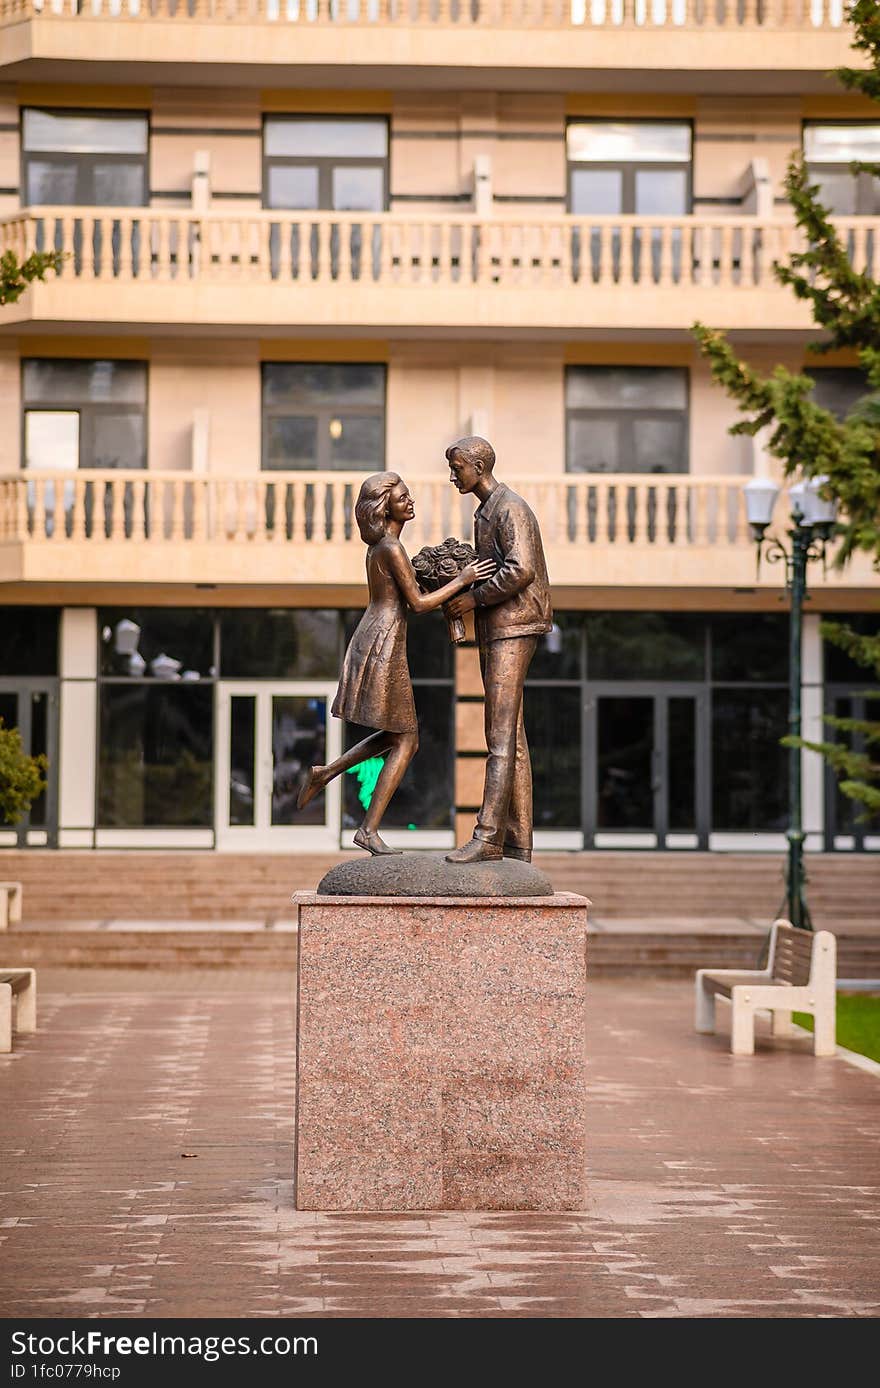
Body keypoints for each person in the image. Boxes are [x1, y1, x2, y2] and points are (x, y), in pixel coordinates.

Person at [297, 471, 495, 856]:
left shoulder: (385, 548)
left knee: (397, 736)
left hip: (381, 635)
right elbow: (419, 605)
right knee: (407, 739)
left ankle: (325, 773)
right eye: (403, 497)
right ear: (384, 506)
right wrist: (464, 579)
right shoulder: (389, 548)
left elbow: (413, 593)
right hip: (383, 641)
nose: (411, 501)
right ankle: (367, 829)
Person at [444, 436, 552, 864]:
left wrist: (474, 598)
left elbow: (522, 568)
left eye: (457, 467)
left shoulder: (510, 508)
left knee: (500, 734)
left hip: (515, 625)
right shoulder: (486, 511)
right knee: (514, 737)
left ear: (478, 465)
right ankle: (518, 843)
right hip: (500, 626)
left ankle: (488, 836)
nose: (453, 475)